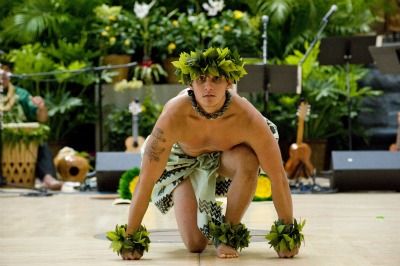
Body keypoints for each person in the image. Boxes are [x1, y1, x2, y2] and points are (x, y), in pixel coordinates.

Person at [123, 47, 300, 259]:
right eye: (201, 79)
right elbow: (146, 179)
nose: (208, 86)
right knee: (196, 245)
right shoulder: (174, 114)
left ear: (229, 83)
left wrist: (288, 233)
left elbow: (278, 176)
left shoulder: (247, 117)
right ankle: (189, 199)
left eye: (216, 79)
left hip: (225, 158)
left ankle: (228, 235)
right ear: (190, 83)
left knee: (248, 159)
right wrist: (130, 237)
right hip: (181, 162)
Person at [1, 66, 62, 190]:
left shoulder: (21, 94)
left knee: (40, 142)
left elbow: (42, 119)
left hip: (21, 135)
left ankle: (47, 177)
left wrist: (41, 107)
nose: (3, 75)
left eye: (5, 71)